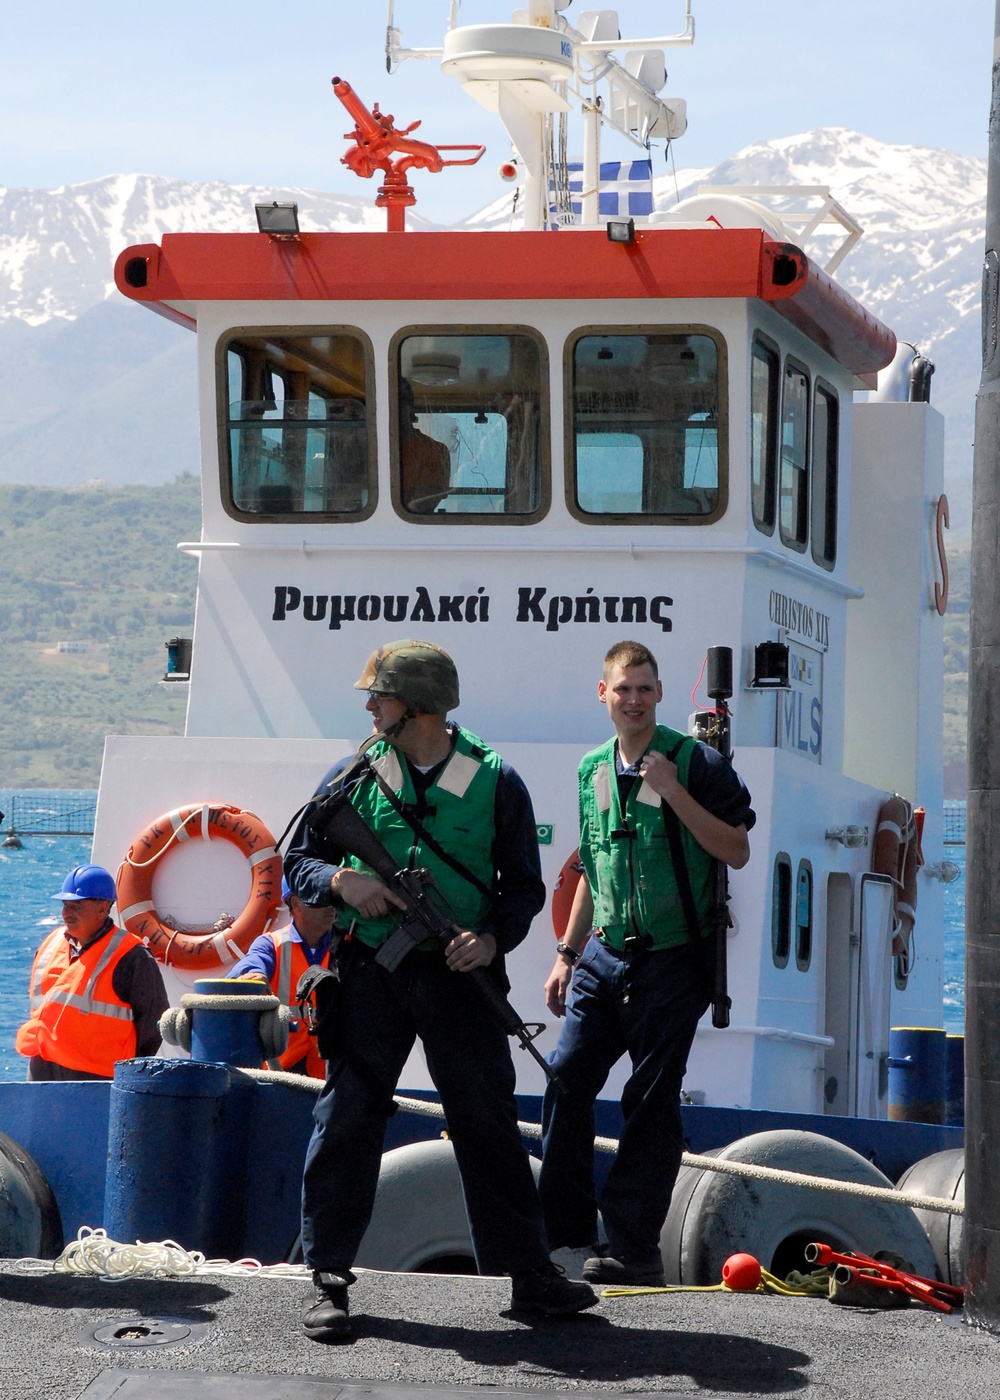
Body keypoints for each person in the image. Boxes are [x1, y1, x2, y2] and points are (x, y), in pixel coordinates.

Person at [284, 638, 597, 1341]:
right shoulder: (354, 777)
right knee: (348, 1118)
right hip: (373, 972)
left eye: (381, 696)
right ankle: (329, 1279)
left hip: (460, 978)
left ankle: (529, 1276)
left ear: (417, 706)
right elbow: (297, 857)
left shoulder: (495, 781)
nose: (369, 706)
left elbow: (520, 891)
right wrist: (341, 882)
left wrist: (488, 940)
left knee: (487, 1122)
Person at [538, 639, 755, 1287]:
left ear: (660, 695)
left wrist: (673, 791)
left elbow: (737, 849)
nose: (633, 700)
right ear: (602, 694)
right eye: (621, 689)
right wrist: (566, 955)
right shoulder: (591, 770)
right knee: (567, 1078)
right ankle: (568, 1235)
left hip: (672, 959)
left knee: (651, 1103)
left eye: (644, 689)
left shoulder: (697, 764)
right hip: (603, 955)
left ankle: (633, 1248)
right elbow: (590, 867)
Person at [16, 864, 169, 1081]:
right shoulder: (51, 943)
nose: (67, 913)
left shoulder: (131, 956)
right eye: (65, 905)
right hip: (44, 1071)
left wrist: (128, 1075)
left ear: (103, 908)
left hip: (97, 1080)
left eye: (76, 907)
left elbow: (154, 1021)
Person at [227, 877, 337, 1078]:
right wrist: (254, 975)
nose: (330, 905)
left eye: (332, 898)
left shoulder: (347, 947)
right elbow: (250, 966)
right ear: (295, 904)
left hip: (329, 1075)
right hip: (280, 1073)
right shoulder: (271, 945)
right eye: (320, 898)